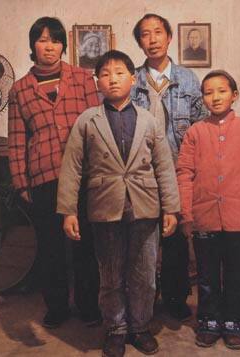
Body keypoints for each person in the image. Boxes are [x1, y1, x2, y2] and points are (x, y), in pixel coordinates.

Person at [57, 50, 180, 357]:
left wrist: (172, 209)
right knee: (110, 275)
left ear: (133, 78)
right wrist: (68, 210)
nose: (113, 79)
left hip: (145, 208)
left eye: (120, 73)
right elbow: (71, 167)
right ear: (97, 81)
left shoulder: (148, 120)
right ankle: (115, 328)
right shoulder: (88, 120)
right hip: (105, 208)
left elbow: (164, 166)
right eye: (106, 74)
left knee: (145, 274)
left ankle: (139, 326)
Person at [8, 16, 101, 329]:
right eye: (43, 40)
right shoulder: (20, 89)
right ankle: (57, 307)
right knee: (50, 246)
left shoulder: (83, 78)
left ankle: (89, 306)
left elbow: (96, 125)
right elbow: (17, 138)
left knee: (85, 243)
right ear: (33, 45)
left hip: (83, 174)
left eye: (56, 40)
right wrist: (21, 182)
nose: (49, 46)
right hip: (44, 175)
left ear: (64, 45)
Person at [177, 70, 240, 349]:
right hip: (204, 217)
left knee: (235, 273)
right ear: (202, 99)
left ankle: (234, 320)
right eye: (208, 92)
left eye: (221, 91)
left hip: (239, 219)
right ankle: (208, 320)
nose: (215, 97)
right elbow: (184, 173)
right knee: (206, 274)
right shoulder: (195, 132)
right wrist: (187, 213)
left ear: (234, 95)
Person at [131, 13, 207, 321]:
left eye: (157, 33)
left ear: (169, 37)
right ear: (139, 42)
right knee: (144, 239)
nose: (152, 39)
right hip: (141, 174)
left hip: (178, 171)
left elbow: (201, 126)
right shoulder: (132, 78)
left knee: (175, 239)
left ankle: (176, 298)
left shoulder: (188, 79)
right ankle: (144, 300)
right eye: (145, 35)